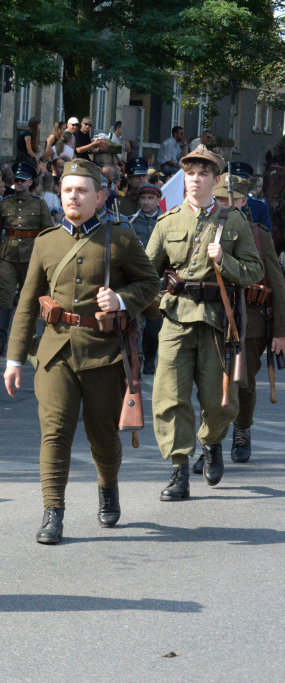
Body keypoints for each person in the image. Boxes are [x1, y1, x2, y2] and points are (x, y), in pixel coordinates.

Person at [4, 158, 159, 544]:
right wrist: (14, 358)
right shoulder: (46, 241)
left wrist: (121, 300)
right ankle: (53, 511)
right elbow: (26, 304)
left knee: (102, 436)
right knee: (54, 433)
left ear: (100, 196)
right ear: (60, 194)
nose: (74, 196)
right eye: (68, 189)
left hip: (104, 353)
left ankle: (108, 486)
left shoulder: (120, 238)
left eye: (82, 190)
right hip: (55, 352)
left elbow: (151, 284)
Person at [145, 145, 263, 501]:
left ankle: (211, 442)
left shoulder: (234, 221)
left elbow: (254, 271)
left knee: (220, 402)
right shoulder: (167, 223)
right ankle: (179, 469)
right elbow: (147, 274)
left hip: (216, 322)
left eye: (203, 175)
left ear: (215, 180)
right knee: (170, 398)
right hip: (176, 321)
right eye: (190, 174)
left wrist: (223, 259)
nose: (195, 180)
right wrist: (155, 308)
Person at [194, 174, 285, 469]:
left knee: (242, 381)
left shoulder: (259, 234)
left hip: (251, 320)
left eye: (230, 200)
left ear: (244, 202)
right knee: (210, 383)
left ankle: (242, 430)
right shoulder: (204, 229)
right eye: (219, 199)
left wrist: (281, 332)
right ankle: (211, 443)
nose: (224, 205)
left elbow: (277, 283)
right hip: (212, 316)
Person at [0, 161, 52, 355]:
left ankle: (26, 339)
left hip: (31, 257)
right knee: (5, 297)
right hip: (7, 256)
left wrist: (47, 260)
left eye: (22, 180)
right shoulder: (4, 203)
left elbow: (47, 232)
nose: (18, 183)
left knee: (28, 300)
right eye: (16, 180)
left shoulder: (40, 204)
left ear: (31, 182)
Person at [129, 183, 165, 374]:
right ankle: (136, 360)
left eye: (150, 198)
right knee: (133, 326)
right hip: (134, 282)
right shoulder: (130, 222)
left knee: (153, 328)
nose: (146, 202)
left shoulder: (166, 222)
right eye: (143, 198)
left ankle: (150, 358)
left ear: (158, 200)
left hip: (157, 285)